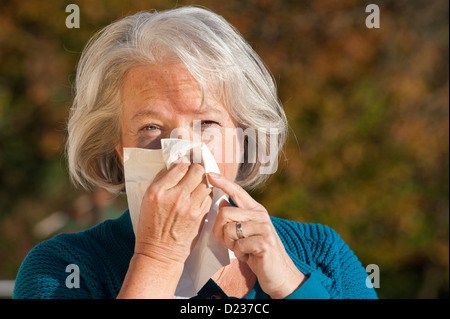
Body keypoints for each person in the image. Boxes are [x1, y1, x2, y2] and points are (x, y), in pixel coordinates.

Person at [13, 6, 377, 299]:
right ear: (120, 149)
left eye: (206, 123)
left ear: (244, 136)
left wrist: (290, 287)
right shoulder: (62, 268)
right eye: (151, 128)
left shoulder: (320, 254)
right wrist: (157, 259)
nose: (183, 152)